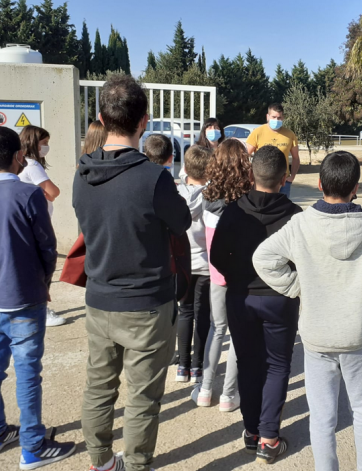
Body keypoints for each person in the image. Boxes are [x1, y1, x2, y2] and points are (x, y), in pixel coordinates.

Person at [253, 151, 362, 471]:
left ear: (318, 184)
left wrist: (297, 287)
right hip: (358, 334)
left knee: (323, 417)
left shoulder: (301, 224)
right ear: (356, 188)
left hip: (317, 335)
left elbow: (264, 259)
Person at [74, 74, 192, 471]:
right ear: (145, 120)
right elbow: (181, 221)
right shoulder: (154, 178)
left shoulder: (82, 172)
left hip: (99, 299)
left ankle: (101, 462)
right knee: (142, 398)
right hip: (146, 304)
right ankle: (137, 463)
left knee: (99, 388)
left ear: (101, 118)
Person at [0, 126, 75, 469]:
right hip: (25, 298)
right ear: (19, 156)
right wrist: (45, 283)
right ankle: (32, 446)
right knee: (28, 372)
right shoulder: (30, 195)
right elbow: (47, 248)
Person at [211, 145, 303, 464]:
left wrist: (239, 278)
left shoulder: (234, 211)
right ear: (284, 177)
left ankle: (252, 432)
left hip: (241, 297)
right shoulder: (294, 215)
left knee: (249, 364)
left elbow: (217, 257)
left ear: (251, 174)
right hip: (280, 300)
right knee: (277, 366)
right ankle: (268, 438)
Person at [191, 139, 251, 410]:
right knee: (238, 333)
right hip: (242, 275)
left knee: (217, 329)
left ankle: (204, 390)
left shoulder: (206, 196)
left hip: (216, 273)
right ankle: (228, 395)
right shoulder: (247, 199)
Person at [17, 125, 65, 328]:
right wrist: (46, 194)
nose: (46, 148)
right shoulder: (32, 165)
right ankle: (42, 310)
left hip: (26, 224)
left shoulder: (19, 163)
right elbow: (54, 191)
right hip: (38, 225)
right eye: (44, 143)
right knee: (44, 268)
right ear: (32, 143)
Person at [175, 146, 214, 385]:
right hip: (206, 264)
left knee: (185, 312)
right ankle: (198, 366)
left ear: (185, 168)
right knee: (203, 316)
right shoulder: (212, 195)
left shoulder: (176, 193)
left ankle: (182, 366)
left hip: (182, 262)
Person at [245, 103, 299, 198]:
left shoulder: (290, 134)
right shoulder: (257, 132)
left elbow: (296, 158)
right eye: (273, 117)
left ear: (283, 118)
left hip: (283, 182)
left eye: (279, 118)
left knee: (282, 209)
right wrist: (251, 176)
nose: (276, 120)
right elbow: (245, 156)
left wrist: (292, 176)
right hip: (261, 181)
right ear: (268, 116)